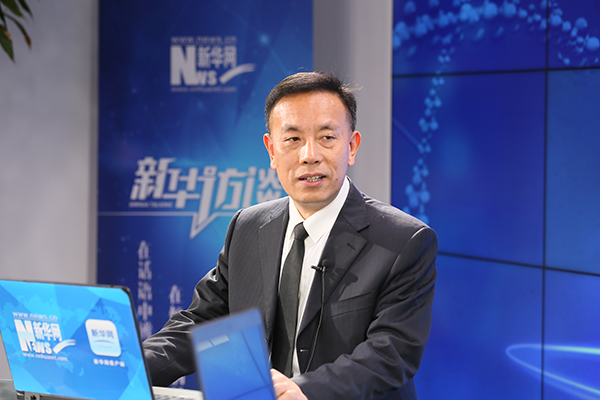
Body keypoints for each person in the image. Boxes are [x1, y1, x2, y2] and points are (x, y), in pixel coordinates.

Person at [143, 72, 438, 400]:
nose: (309, 155)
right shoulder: (247, 226)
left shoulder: (403, 241)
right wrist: (131, 369)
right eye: (293, 139)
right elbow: (202, 320)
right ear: (272, 150)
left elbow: (390, 353)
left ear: (352, 146)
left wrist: (303, 389)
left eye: (327, 137)